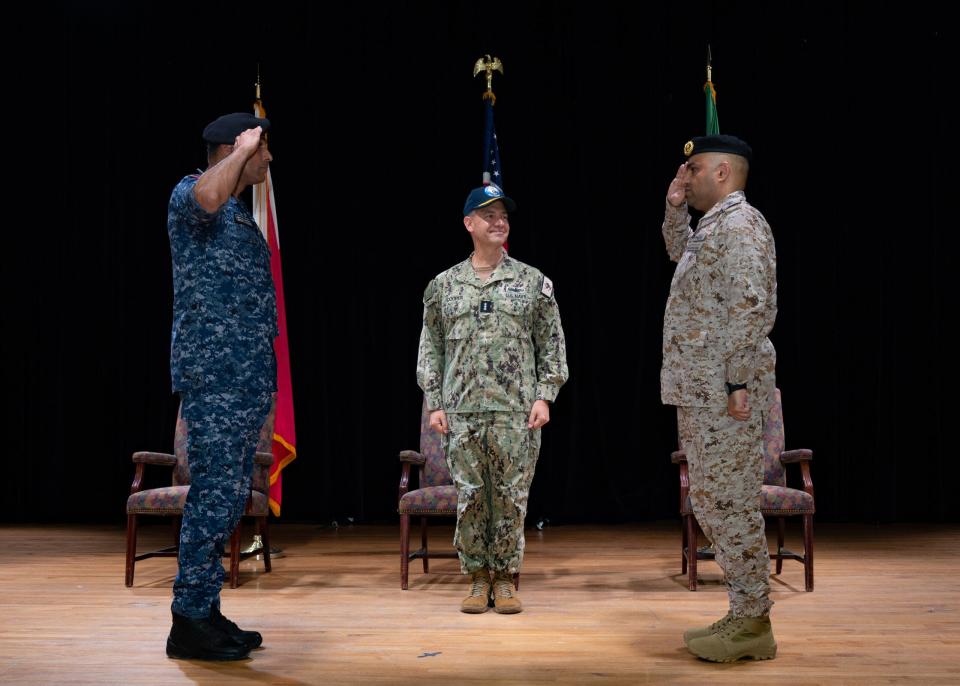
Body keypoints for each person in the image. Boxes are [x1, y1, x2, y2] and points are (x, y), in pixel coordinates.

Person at [416, 183, 568, 614]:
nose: (499, 221)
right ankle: (477, 576)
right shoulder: (444, 285)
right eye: (488, 215)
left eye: (503, 215)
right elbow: (432, 346)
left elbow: (551, 343)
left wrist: (545, 396)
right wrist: (436, 401)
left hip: (516, 412)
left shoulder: (531, 282)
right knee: (471, 496)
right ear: (469, 224)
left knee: (511, 495)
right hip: (462, 411)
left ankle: (504, 578)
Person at [660, 134, 778, 662]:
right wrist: (674, 210)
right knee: (711, 500)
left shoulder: (742, 227)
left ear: (724, 173)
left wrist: (736, 383)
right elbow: (677, 257)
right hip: (701, 391)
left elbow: (750, 310)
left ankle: (754, 622)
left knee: (730, 502)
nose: (687, 177)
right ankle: (743, 609)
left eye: (694, 169)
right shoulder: (712, 228)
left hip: (724, 394)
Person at [164, 112, 278, 660]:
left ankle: (204, 609)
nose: (269, 161)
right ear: (235, 148)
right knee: (212, 495)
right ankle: (186, 621)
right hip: (215, 379)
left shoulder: (236, 214)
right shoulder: (191, 195)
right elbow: (208, 196)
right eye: (263, 151)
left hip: (244, 381)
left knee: (230, 496)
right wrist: (241, 150)